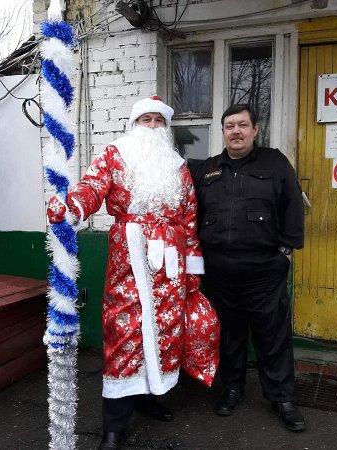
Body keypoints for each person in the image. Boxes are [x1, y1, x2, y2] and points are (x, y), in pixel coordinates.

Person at [47, 96, 218, 450]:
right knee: (125, 333)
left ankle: (148, 397)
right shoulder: (115, 154)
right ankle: (114, 426)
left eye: (159, 120)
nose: (153, 126)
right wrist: (72, 206)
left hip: (170, 264)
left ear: (165, 127)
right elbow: (92, 188)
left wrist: (192, 270)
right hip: (130, 259)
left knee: (164, 333)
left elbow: (189, 218)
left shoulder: (177, 166)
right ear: (134, 123)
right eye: (146, 119)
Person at [193, 104, 306, 431]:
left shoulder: (275, 163)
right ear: (223, 132)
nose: (236, 131)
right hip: (219, 271)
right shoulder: (208, 169)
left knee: (273, 334)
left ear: (255, 130)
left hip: (264, 269)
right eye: (230, 126)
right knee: (229, 334)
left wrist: (285, 252)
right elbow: (193, 213)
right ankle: (231, 388)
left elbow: (293, 205)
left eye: (243, 125)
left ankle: (282, 398)